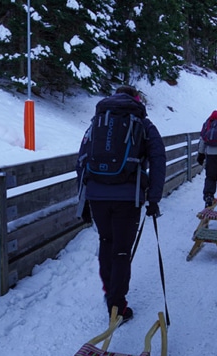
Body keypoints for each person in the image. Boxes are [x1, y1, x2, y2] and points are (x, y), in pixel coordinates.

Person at [75, 85, 166, 321]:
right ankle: (117, 306)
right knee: (122, 251)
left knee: (106, 242)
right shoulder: (143, 124)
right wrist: (154, 199)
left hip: (97, 195)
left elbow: (81, 160)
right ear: (136, 99)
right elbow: (158, 159)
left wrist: (83, 200)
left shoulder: (97, 122)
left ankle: (111, 295)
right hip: (127, 196)